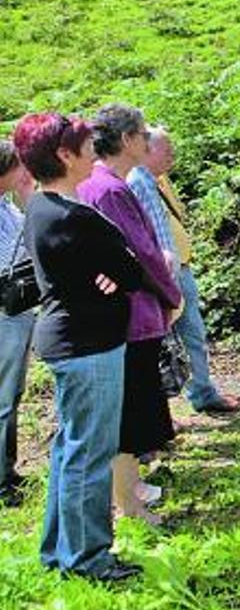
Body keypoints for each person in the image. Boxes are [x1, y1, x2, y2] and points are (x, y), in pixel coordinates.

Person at [14, 112, 144, 581]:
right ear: (64, 156)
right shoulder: (71, 217)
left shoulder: (42, 207)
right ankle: (88, 559)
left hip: (72, 339)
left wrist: (114, 271)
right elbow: (130, 269)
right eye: (85, 145)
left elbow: (118, 269)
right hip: (88, 346)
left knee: (71, 450)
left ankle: (58, 550)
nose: (94, 150)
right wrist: (118, 271)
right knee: (90, 454)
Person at [78, 104, 182, 524]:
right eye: (141, 134)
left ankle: (131, 493)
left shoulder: (99, 184)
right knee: (129, 416)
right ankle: (131, 506)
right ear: (125, 140)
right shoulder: (111, 190)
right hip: (133, 315)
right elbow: (142, 255)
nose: (147, 141)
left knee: (127, 411)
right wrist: (171, 293)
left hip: (120, 315)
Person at [145, 127, 240, 414]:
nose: (173, 155)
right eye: (167, 150)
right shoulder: (137, 182)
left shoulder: (159, 181)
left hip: (178, 265)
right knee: (173, 337)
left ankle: (200, 390)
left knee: (192, 333)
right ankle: (187, 397)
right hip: (164, 272)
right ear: (146, 150)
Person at [0, 142, 36, 508]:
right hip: (4, 317)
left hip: (20, 311)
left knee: (13, 394)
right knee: (3, 398)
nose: (24, 173)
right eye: (19, 167)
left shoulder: (8, 207)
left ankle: (7, 470)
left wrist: (27, 196)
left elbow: (33, 236)